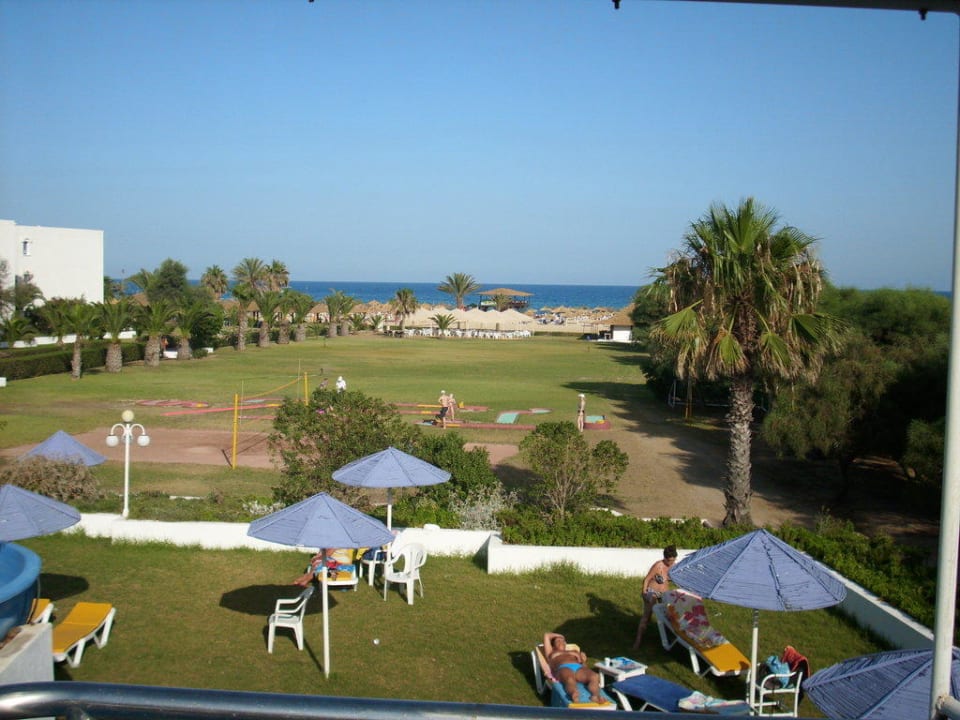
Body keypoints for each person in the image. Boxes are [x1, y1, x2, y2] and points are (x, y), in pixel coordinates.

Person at [632, 544, 678, 648]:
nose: (671, 563)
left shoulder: (674, 566)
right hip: (652, 591)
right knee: (647, 616)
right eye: (669, 561)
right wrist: (644, 592)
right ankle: (638, 640)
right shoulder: (658, 565)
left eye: (673, 560)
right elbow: (647, 579)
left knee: (668, 615)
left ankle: (668, 638)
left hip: (664, 593)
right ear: (665, 558)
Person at [543, 632, 602, 704]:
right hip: (563, 668)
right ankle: (574, 694)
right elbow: (546, 635)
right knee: (570, 679)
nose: (561, 642)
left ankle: (595, 696)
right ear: (553, 646)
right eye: (558, 641)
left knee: (594, 676)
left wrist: (584, 660)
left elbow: (583, 665)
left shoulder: (574, 651)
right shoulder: (551, 653)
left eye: (563, 641)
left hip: (578, 668)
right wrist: (560, 636)